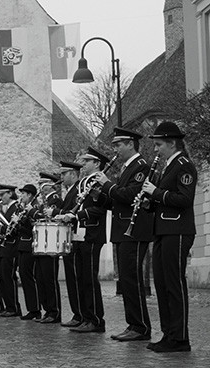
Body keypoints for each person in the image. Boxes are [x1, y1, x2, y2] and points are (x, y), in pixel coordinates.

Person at [140, 121, 196, 353]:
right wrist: (149, 202)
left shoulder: (184, 165)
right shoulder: (169, 166)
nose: (155, 150)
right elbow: (165, 200)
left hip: (178, 230)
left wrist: (156, 193)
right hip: (163, 230)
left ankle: (180, 338)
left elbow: (184, 200)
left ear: (172, 143)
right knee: (161, 284)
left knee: (174, 284)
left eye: (159, 144)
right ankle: (168, 334)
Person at [95, 127, 154, 342]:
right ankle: (133, 324)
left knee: (133, 279)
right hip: (122, 230)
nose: (116, 150)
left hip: (135, 230)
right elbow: (116, 202)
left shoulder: (141, 167)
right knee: (125, 281)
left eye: (119, 145)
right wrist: (99, 194)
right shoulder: (126, 168)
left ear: (131, 144)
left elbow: (130, 196)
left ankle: (140, 327)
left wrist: (107, 185)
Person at [57, 147, 110, 333]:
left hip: (92, 234)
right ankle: (85, 316)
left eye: (87, 161)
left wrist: (77, 215)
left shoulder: (100, 181)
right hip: (80, 235)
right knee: (81, 278)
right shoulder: (84, 183)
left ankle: (95, 320)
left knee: (89, 278)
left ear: (96, 163)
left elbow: (101, 208)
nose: (84, 164)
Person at [52, 161, 84, 328]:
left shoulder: (78, 190)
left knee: (75, 278)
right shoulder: (70, 191)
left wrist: (55, 212)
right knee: (71, 279)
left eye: (64, 174)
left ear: (73, 174)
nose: (62, 177)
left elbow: (73, 212)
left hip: (76, 237)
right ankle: (77, 314)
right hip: (69, 238)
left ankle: (79, 314)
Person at [34, 172, 63, 323]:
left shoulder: (55, 199)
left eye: (42, 184)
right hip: (42, 242)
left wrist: (34, 213)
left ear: (50, 185)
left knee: (49, 279)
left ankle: (54, 311)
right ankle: (47, 310)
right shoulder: (44, 200)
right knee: (41, 278)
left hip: (51, 242)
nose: (40, 187)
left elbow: (51, 219)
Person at [14, 184, 41, 320]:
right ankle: (31, 308)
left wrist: (20, 221)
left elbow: (35, 225)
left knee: (29, 277)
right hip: (22, 245)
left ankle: (36, 309)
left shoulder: (34, 207)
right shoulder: (24, 208)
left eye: (23, 194)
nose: (21, 196)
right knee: (24, 277)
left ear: (30, 195)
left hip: (30, 244)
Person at [0, 184, 21, 317]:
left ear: (10, 194)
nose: (0, 198)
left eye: (2, 194)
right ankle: (8, 306)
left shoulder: (16, 207)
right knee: (3, 278)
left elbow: (13, 228)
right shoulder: (6, 209)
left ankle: (13, 307)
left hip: (12, 247)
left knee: (9, 278)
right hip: (4, 247)